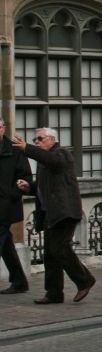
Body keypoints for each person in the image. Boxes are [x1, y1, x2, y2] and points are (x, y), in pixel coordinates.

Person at [13, 128, 95, 304]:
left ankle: (85, 280)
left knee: (60, 249)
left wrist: (26, 148)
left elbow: (53, 161)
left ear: (52, 139)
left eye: (40, 139)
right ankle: (54, 293)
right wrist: (28, 187)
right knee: (50, 254)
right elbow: (44, 186)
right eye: (34, 139)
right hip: (52, 213)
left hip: (64, 212)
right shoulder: (45, 161)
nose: (37, 142)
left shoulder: (61, 154)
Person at [0, 119, 32, 295]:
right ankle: (19, 281)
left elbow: (26, 177)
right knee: (6, 245)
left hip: (5, 206)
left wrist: (11, 195)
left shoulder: (13, 149)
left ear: (3, 128)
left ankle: (19, 282)